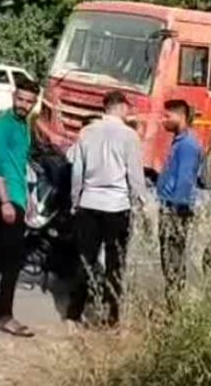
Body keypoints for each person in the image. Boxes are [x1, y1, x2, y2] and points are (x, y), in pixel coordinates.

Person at [66, 91, 145, 328]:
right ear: (120, 107)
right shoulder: (129, 136)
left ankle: (72, 314)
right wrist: (139, 203)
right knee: (115, 264)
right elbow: (135, 176)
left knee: (85, 261)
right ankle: (111, 319)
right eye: (127, 107)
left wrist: (75, 200)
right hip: (117, 206)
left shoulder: (86, 132)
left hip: (89, 204)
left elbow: (77, 172)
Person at [0, 78, 40, 337]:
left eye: (29, 101)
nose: (23, 105)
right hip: (6, 199)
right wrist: (5, 202)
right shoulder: (0, 126)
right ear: (13, 96)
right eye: (21, 99)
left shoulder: (24, 126)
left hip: (17, 195)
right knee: (13, 259)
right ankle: (4, 315)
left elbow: (21, 165)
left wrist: (29, 199)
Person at [156, 100, 203, 301]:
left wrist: (173, 209)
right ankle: (173, 302)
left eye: (168, 116)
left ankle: (174, 306)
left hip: (176, 209)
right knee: (169, 258)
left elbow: (184, 180)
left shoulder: (188, 145)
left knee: (173, 258)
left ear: (181, 117)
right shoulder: (180, 141)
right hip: (171, 206)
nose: (164, 120)